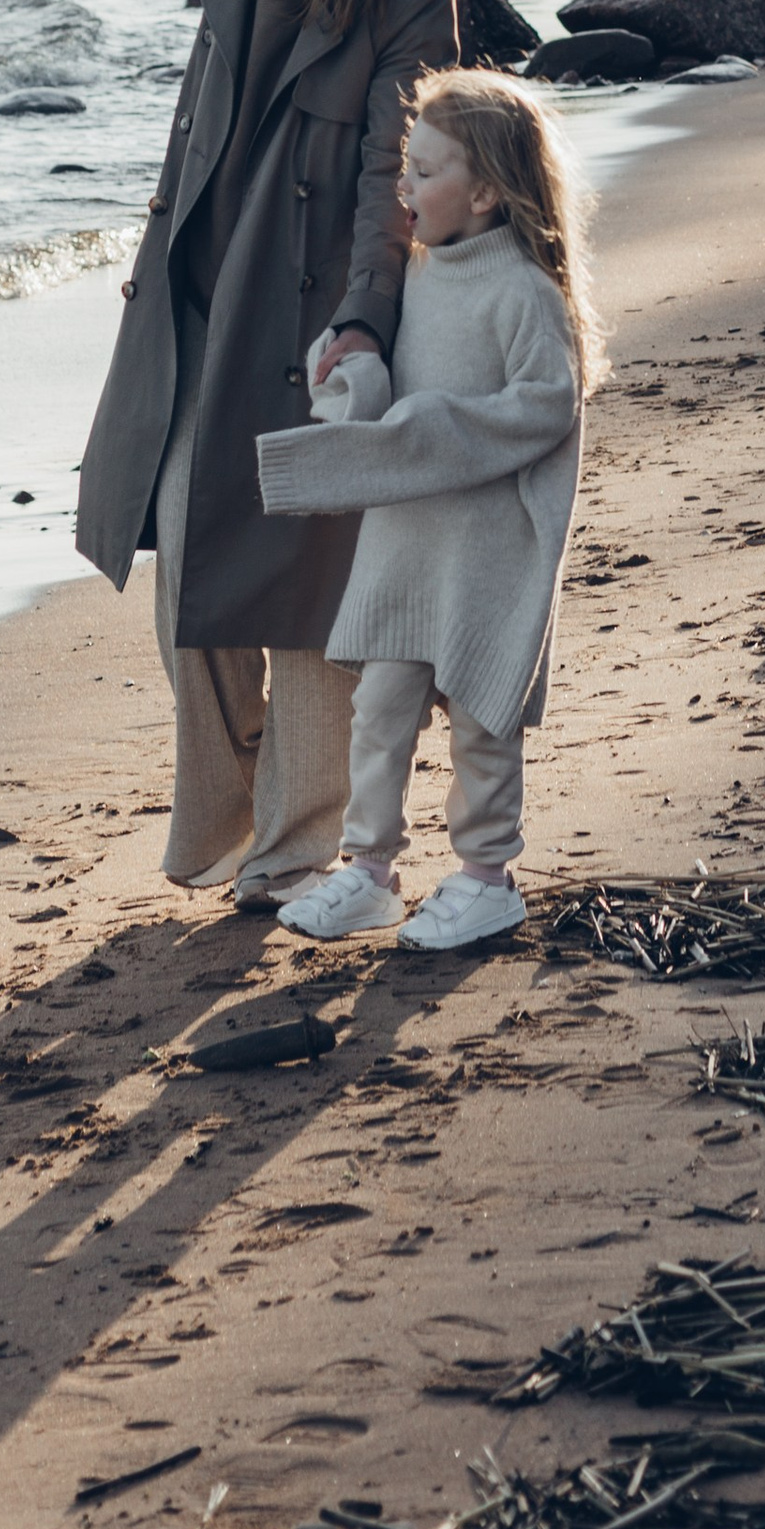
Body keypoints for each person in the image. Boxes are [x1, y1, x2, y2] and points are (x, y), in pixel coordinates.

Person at [74, 0, 460, 905]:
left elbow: (394, 177)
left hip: (309, 319)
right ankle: (229, 809)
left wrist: (364, 319)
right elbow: (190, 129)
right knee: (187, 562)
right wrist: (152, 260)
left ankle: (294, 853)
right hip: (198, 305)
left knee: (302, 594)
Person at [253, 68, 596, 950]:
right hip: (405, 543)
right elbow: (392, 397)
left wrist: (439, 424)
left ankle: (486, 879)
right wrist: (354, 378)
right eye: (406, 165)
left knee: (483, 719)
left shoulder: (524, 291)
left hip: (486, 548)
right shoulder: (414, 277)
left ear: (484, 193)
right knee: (379, 710)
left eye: (426, 170)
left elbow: (549, 405)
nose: (403, 185)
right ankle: (368, 872)